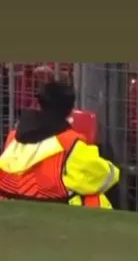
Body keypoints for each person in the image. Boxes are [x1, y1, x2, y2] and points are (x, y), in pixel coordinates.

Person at [0, 78, 119, 208]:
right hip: (53, 209)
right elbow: (101, 177)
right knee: (95, 198)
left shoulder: (13, 137)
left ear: (39, 104)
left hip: (10, 207)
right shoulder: (70, 144)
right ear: (70, 110)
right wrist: (111, 167)